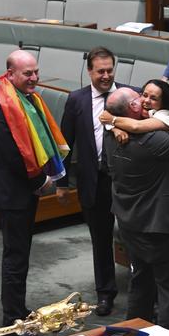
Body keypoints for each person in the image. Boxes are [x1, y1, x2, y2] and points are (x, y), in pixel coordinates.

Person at [103, 88, 169, 332]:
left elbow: (107, 124)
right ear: (134, 109)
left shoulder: (111, 135)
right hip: (158, 226)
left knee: (141, 280)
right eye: (140, 98)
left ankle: (133, 331)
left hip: (129, 222)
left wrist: (115, 124)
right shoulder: (151, 141)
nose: (145, 100)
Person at [0, 50, 68, 336]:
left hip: (25, 191)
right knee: (16, 257)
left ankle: (18, 309)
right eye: (27, 74)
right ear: (10, 74)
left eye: (35, 72)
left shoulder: (29, 100)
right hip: (12, 193)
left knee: (21, 254)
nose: (34, 78)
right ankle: (13, 320)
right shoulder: (0, 108)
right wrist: (41, 180)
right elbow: (12, 156)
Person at [56, 46, 131, 316]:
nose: (106, 76)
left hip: (125, 182)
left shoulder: (128, 95)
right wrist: (62, 183)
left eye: (110, 70)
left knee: (135, 237)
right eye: (100, 71)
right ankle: (105, 294)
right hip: (94, 181)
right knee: (100, 240)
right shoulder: (76, 100)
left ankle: (144, 293)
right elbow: (65, 144)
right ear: (89, 71)